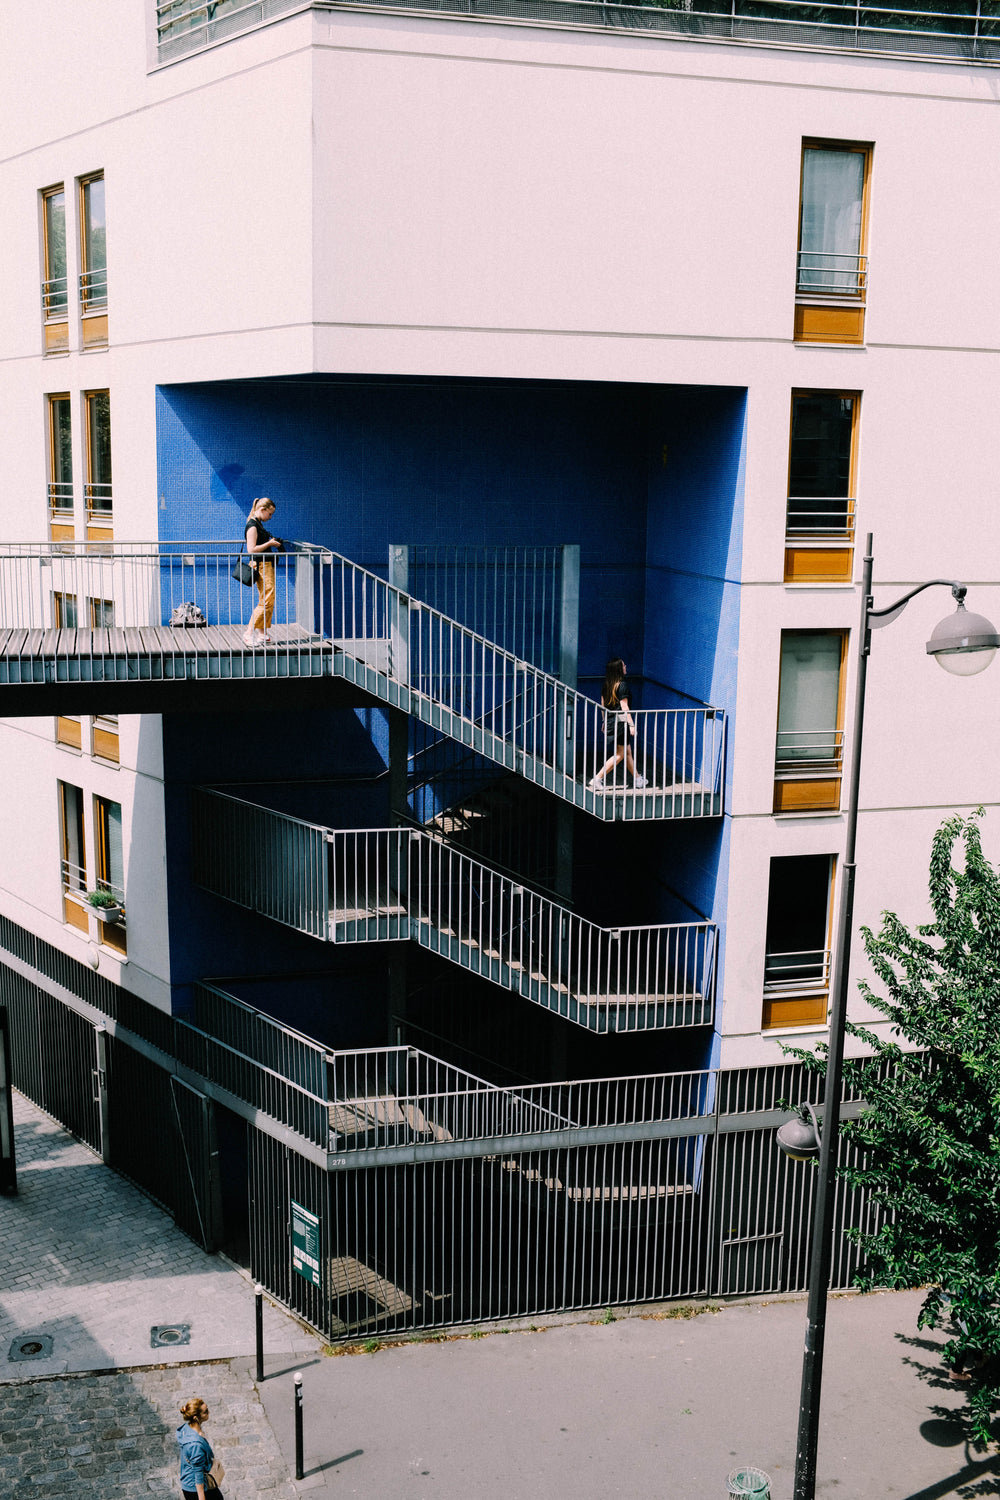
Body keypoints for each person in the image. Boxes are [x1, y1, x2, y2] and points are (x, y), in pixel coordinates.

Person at [589, 657, 646, 790]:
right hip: (620, 722)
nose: (626, 667)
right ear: (619, 670)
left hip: (611, 721)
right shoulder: (622, 685)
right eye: (624, 665)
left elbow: (603, 705)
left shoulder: (607, 685)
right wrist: (632, 725)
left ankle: (638, 779)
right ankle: (597, 778)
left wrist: (604, 721)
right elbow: (624, 707)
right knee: (621, 754)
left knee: (627, 751)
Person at [242, 496, 283, 647]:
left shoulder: (257, 523)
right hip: (261, 565)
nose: (271, 517)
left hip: (265, 565)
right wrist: (270, 543)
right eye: (270, 514)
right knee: (267, 599)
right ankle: (248, 633)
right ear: (262, 510)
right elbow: (251, 549)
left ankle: (261, 633)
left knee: (267, 599)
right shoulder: (253, 525)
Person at [176, 1397, 222, 1499]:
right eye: (205, 1412)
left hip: (190, 1482)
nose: (209, 1412)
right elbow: (198, 1475)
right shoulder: (195, 1445)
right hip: (196, 1488)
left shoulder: (187, 1428)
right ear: (196, 1417)